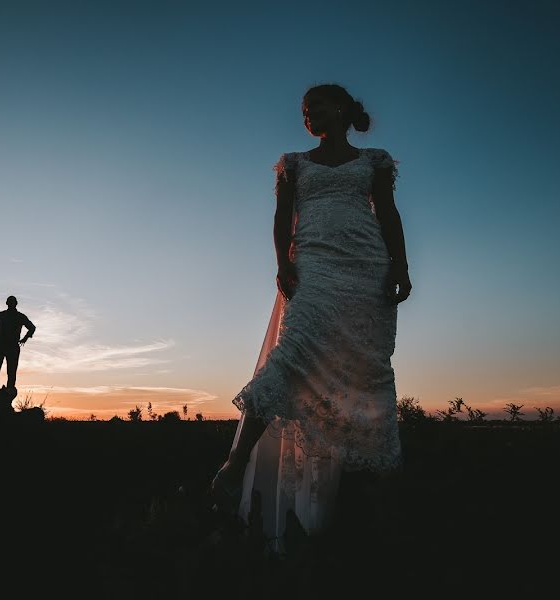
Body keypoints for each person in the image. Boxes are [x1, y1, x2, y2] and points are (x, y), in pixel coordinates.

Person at [208, 83, 412, 553]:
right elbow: (282, 219)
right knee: (292, 355)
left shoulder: (375, 160)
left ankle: (372, 499)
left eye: (315, 106)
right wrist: (283, 262)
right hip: (314, 267)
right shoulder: (293, 164)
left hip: (367, 269)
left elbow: (390, 215)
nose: (307, 114)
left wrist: (400, 264)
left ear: (339, 109)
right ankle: (233, 468)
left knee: (367, 373)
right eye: (303, 110)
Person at [0, 295, 36, 391]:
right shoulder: (17, 316)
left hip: (7, 346)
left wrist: (25, 338)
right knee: (2, 373)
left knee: (7, 373)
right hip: (4, 345)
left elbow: (32, 328)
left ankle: (3, 396)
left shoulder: (7, 315)